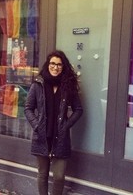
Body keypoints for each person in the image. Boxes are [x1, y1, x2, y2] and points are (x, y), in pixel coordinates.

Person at [24, 50, 83, 195]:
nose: (55, 67)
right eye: (52, 63)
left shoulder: (68, 86)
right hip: (42, 136)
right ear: (47, 65)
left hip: (61, 137)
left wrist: (66, 125)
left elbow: (78, 109)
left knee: (59, 176)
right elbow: (28, 108)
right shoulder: (38, 84)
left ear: (63, 67)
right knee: (42, 174)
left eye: (59, 64)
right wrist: (37, 125)